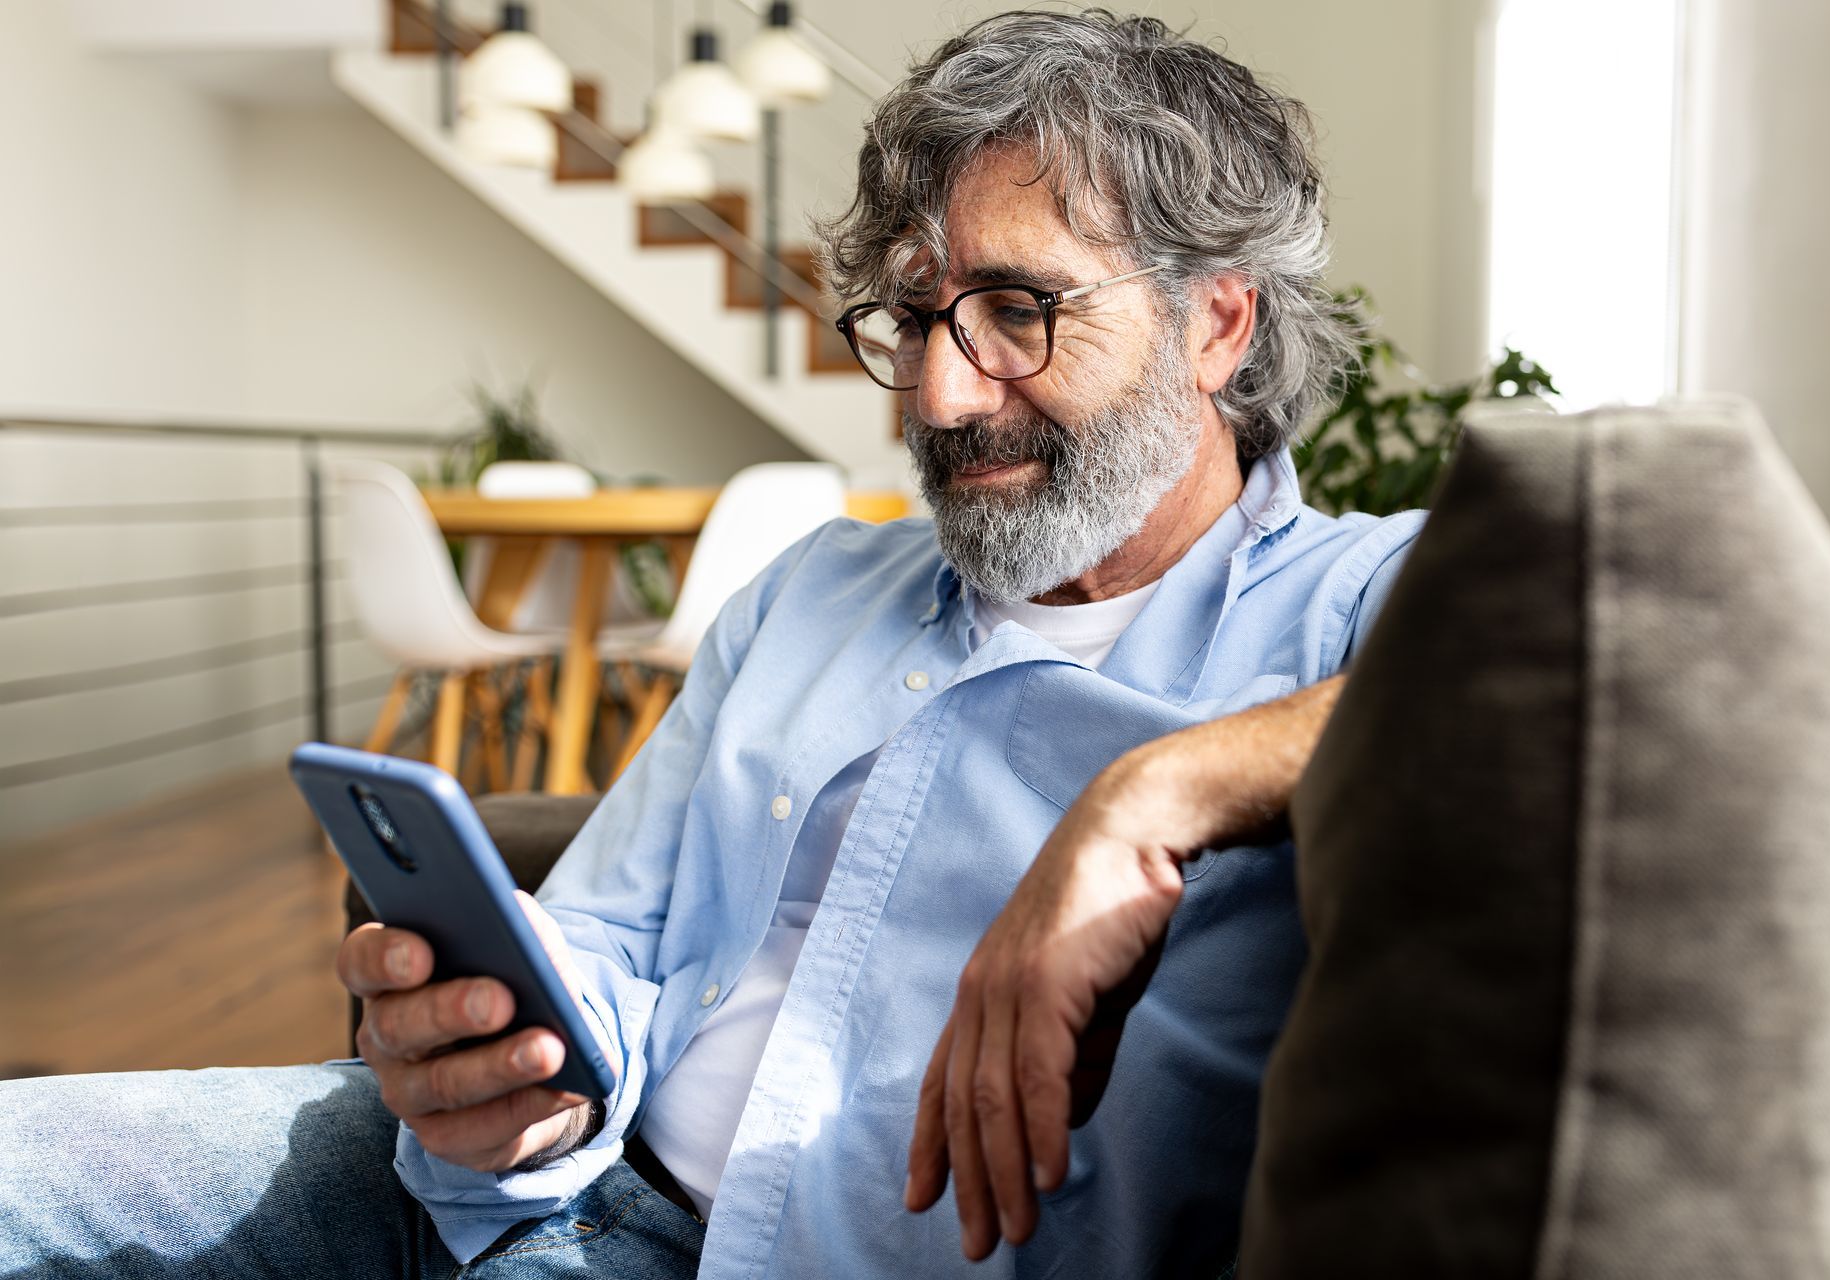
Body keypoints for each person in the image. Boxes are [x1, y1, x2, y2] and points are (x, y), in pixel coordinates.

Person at [0, 10, 1423, 1278]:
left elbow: (1597, 684)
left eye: (1016, 311)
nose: (937, 390)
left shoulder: (1359, 603)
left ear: (1217, 323)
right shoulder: (819, 586)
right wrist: (523, 1061)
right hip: (518, 1195)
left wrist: (1155, 792)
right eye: (917, 316)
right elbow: (616, 927)